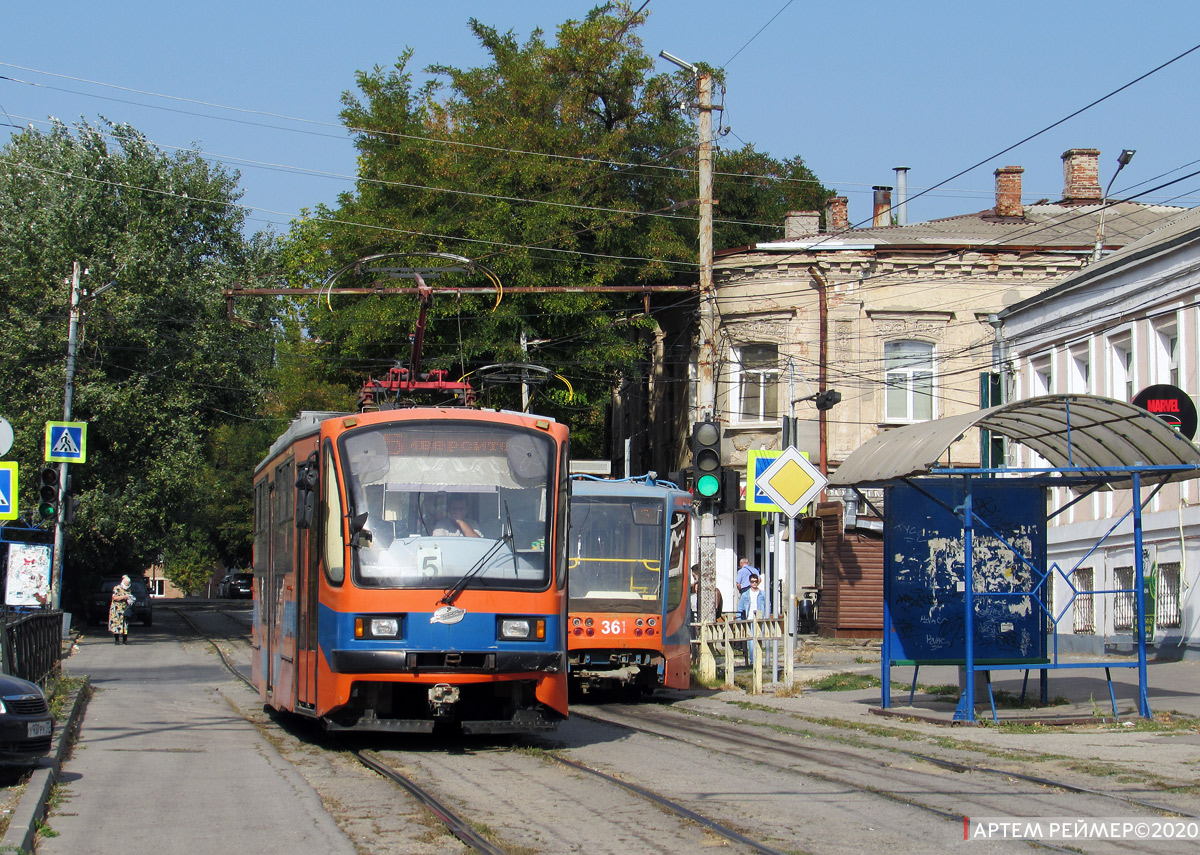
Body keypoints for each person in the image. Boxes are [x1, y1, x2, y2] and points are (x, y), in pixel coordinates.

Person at [738, 574, 768, 666]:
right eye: (752, 581)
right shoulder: (745, 594)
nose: (754, 583)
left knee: (759, 639)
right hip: (749, 619)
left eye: (755, 581)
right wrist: (739, 621)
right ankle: (752, 660)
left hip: (759, 619)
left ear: (758, 582)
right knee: (750, 641)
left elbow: (768, 606)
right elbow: (740, 609)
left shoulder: (763, 594)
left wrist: (766, 618)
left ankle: (758, 659)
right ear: (750, 582)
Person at [108, 575, 134, 645]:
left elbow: (129, 596)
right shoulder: (117, 588)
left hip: (125, 609)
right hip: (117, 609)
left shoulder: (129, 590)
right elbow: (114, 598)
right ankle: (117, 640)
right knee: (116, 624)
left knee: (125, 624)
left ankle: (125, 640)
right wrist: (124, 597)